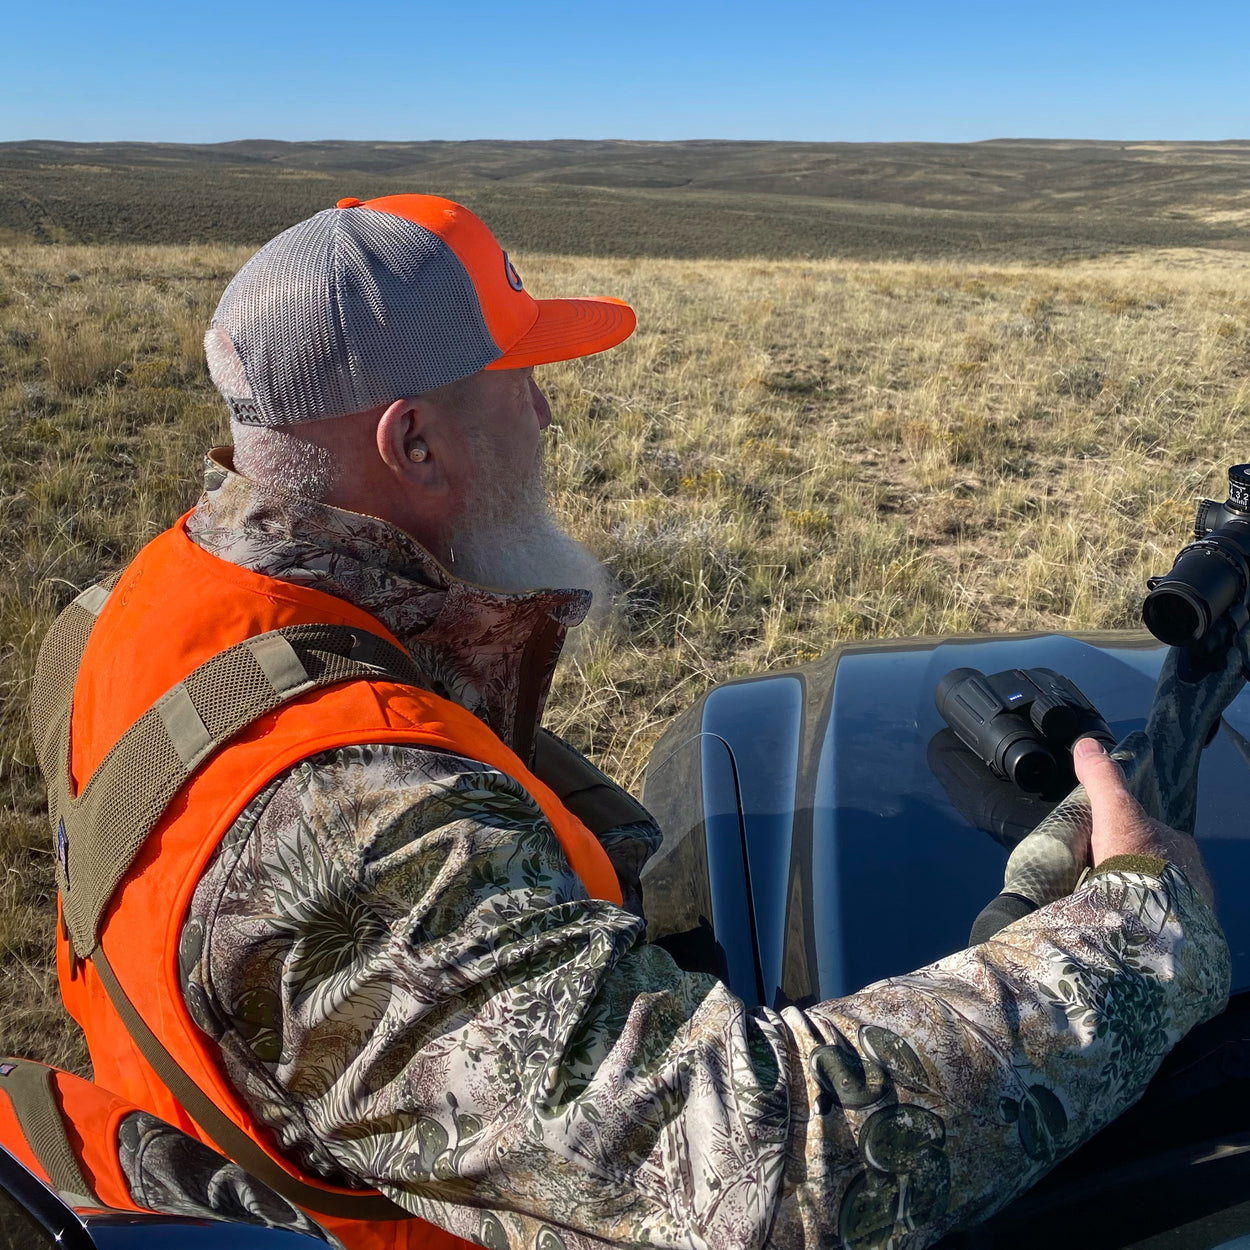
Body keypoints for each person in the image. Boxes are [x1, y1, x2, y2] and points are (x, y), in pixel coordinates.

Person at [32, 193, 1229, 1250]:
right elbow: (763, 1176)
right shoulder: (349, 821)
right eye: (518, 385)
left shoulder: (129, 614)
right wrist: (1130, 933)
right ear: (414, 441)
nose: (546, 416)